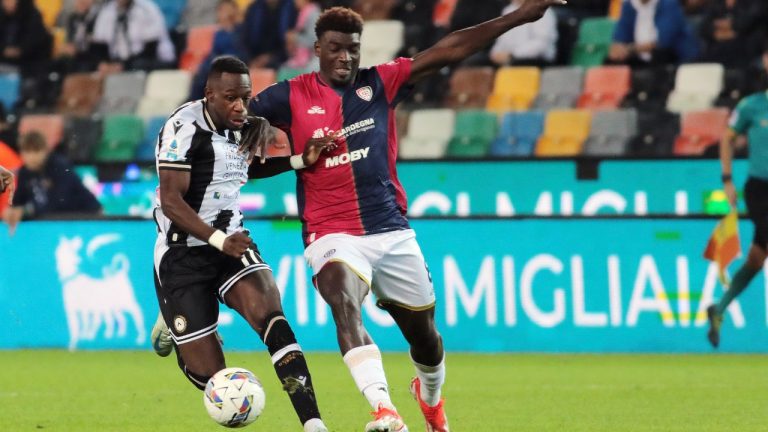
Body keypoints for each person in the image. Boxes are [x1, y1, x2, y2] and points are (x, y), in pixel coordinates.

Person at [248, 2, 564, 431]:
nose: (346, 57)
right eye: (336, 49)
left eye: (353, 49)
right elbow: (236, 127)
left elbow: (449, 49)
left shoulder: (380, 83)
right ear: (317, 48)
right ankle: (384, 409)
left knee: (426, 340)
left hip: (390, 230)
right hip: (330, 230)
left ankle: (429, 399)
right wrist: (289, 158)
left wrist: (521, 16)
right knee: (343, 302)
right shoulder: (288, 95)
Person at [149, 55, 332, 432]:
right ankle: (176, 324)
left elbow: (243, 165)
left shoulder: (243, 125)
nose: (240, 107)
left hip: (231, 241)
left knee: (274, 321)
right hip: (182, 255)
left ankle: (314, 424)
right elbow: (171, 200)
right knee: (212, 379)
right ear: (209, 94)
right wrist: (218, 239)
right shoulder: (182, 128)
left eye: (246, 98)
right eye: (231, 98)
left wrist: (300, 160)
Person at [707, 41, 768, 349]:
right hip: (761, 188)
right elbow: (726, 139)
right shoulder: (751, 106)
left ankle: (718, 309)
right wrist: (727, 179)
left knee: (757, 259)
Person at [2, 131, 101, 235]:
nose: (32, 157)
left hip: (87, 217)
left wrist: (26, 211)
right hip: (57, 223)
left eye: (36, 151)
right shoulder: (25, 172)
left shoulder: (59, 167)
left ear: (46, 151)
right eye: (27, 151)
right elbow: (19, 200)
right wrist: (11, 211)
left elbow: (60, 202)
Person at [90, 0, 176, 73]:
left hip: (154, 59)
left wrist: (123, 66)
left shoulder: (147, 8)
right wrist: (105, 64)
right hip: (122, 62)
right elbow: (100, 45)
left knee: (138, 65)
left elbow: (151, 49)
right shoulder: (107, 11)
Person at [608, 0, 699, 66]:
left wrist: (631, 49)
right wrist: (618, 49)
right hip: (640, 58)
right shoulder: (628, 6)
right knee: (611, 60)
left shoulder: (669, 4)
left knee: (660, 54)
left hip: (671, 57)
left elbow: (664, 41)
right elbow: (620, 37)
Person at [699, 0, 767, 67]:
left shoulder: (754, 2)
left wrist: (727, 26)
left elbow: (747, 22)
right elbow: (704, 27)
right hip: (717, 47)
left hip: (744, 47)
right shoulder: (717, 3)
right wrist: (717, 34)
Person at [490, 0, 558, 67]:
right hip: (510, 58)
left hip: (536, 61)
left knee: (517, 64)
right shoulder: (507, 10)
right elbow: (501, 39)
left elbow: (542, 44)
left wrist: (513, 54)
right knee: (483, 62)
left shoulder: (542, 10)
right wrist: (495, 54)